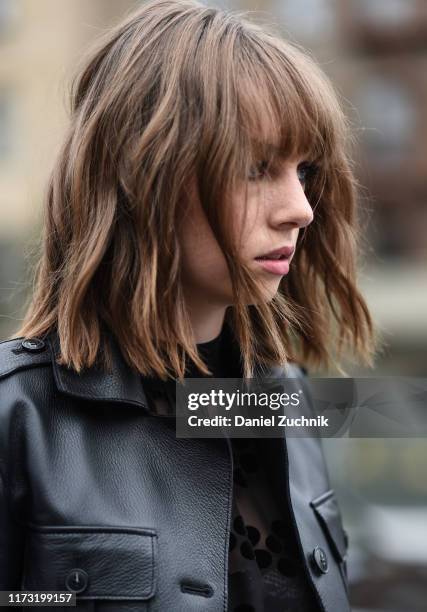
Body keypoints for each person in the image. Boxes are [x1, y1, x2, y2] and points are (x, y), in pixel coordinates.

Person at [0, 1, 378, 610]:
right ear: (145, 174)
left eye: (303, 170)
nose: (300, 209)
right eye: (255, 167)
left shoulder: (289, 403)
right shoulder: (18, 418)